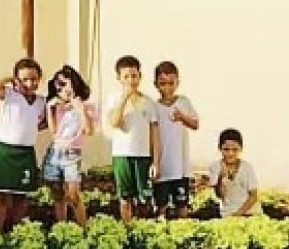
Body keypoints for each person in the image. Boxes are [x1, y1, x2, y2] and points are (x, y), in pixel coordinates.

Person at [0, 58, 46, 232]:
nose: (29, 84)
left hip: (26, 153)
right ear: (17, 80)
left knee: (22, 196)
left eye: (34, 79)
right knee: (3, 196)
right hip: (5, 152)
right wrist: (9, 78)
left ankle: (16, 231)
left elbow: (44, 122)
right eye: (24, 79)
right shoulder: (8, 95)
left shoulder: (41, 101)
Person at [106, 55, 161, 223]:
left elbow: (155, 135)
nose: (131, 80)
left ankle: (144, 229)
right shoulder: (114, 99)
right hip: (122, 156)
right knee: (125, 197)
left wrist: (155, 162)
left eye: (134, 76)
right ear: (119, 78)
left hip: (143, 157)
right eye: (126, 76)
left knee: (145, 198)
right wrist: (124, 98)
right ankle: (127, 228)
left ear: (140, 76)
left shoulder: (149, 103)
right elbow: (115, 122)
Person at [42, 65, 97, 226]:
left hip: (72, 154)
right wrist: (50, 109)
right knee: (57, 193)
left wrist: (80, 109)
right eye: (59, 86)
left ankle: (83, 227)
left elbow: (89, 131)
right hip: (55, 152)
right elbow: (54, 132)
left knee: (73, 194)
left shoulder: (87, 106)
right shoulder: (57, 107)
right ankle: (62, 227)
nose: (63, 89)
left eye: (65, 84)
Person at [153, 61, 199, 220]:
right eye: (162, 83)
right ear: (156, 84)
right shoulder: (154, 107)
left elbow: (195, 124)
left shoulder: (183, 102)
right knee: (161, 205)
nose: (167, 87)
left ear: (177, 82)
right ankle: (160, 231)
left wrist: (182, 117)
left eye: (171, 83)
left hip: (180, 167)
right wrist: (155, 162)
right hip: (162, 167)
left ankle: (183, 230)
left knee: (182, 204)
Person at [209, 128, 261, 217]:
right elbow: (220, 195)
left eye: (235, 149)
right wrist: (221, 177)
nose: (230, 153)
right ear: (220, 148)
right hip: (228, 214)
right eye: (226, 149)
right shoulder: (215, 166)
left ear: (241, 149)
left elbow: (253, 196)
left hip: (251, 213)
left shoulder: (247, 167)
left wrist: (238, 214)